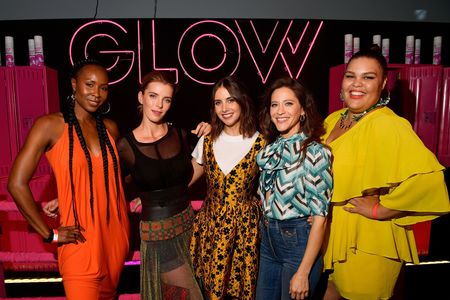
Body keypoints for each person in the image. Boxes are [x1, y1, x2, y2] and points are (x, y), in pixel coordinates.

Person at [322, 46, 450, 300]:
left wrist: (380, 209)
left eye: (368, 77)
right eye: (351, 76)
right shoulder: (333, 119)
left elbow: (430, 181)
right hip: (334, 237)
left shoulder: (387, 123)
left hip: (368, 239)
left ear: (382, 84)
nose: (357, 84)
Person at [7, 59, 130, 300]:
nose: (96, 93)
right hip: (79, 243)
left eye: (103, 87)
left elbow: (120, 179)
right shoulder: (50, 125)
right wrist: (49, 234)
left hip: (115, 242)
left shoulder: (111, 129)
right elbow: (16, 183)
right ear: (74, 85)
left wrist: (73, 193)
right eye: (90, 84)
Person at [116, 70, 209, 300]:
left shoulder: (181, 134)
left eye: (166, 99)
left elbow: (189, 174)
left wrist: (210, 137)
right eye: (153, 96)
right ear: (141, 97)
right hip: (159, 236)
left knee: (178, 295)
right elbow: (107, 183)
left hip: (189, 227)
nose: (159, 105)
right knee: (189, 296)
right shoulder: (125, 146)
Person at [255, 77, 333, 300]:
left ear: (302, 111)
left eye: (288, 103)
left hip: (298, 243)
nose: (280, 111)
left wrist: (304, 272)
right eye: (274, 104)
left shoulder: (316, 152)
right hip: (268, 240)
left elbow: (320, 218)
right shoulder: (270, 150)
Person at [190, 76, 265, 299]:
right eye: (218, 102)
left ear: (243, 101)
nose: (224, 108)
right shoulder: (207, 140)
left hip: (244, 231)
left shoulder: (261, 142)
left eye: (230, 100)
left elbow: (271, 188)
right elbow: (186, 178)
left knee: (240, 291)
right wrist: (153, 196)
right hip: (211, 227)